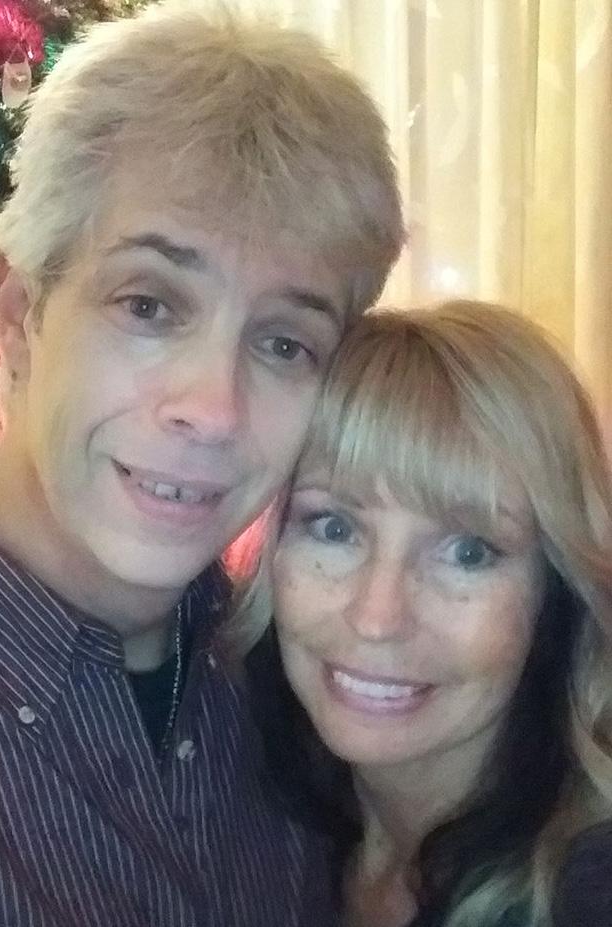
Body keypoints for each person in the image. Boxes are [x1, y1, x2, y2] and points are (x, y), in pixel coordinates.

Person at [0, 4, 404, 925]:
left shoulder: (310, 687)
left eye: (284, 343)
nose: (213, 408)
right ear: (21, 311)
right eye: (149, 305)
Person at [245, 301, 612, 927]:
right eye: (333, 528)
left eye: (468, 552)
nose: (377, 618)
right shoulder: (250, 796)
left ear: (555, 592)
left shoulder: (586, 883)